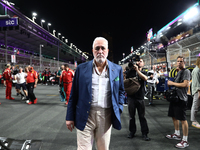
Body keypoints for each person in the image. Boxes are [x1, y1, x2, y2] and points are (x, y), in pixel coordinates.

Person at [66, 37, 125, 150]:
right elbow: (74, 94)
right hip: (84, 115)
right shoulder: (81, 69)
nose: (100, 51)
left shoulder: (116, 69)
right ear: (93, 51)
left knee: (103, 148)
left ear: (107, 51)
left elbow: (121, 91)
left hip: (106, 115)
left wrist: (119, 107)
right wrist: (69, 117)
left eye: (103, 48)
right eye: (97, 48)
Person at [166, 56, 190, 149]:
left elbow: (185, 84)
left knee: (183, 119)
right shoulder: (179, 71)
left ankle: (185, 140)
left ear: (184, 62)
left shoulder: (186, 71)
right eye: (178, 61)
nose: (179, 63)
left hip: (181, 99)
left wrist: (172, 83)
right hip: (175, 98)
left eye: (181, 61)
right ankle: (177, 134)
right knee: (174, 116)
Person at [126, 59, 150, 141]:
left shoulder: (144, 72)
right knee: (131, 117)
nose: (139, 62)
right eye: (138, 61)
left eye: (141, 61)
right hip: (131, 97)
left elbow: (145, 78)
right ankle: (132, 132)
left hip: (140, 98)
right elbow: (125, 80)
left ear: (143, 64)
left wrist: (137, 71)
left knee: (142, 116)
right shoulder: (130, 72)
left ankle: (144, 133)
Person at [191, 56, 200, 129]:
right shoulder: (196, 70)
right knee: (195, 105)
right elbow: (197, 82)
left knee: (196, 105)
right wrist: (199, 91)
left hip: (198, 90)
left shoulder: (198, 70)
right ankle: (193, 121)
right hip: (197, 91)